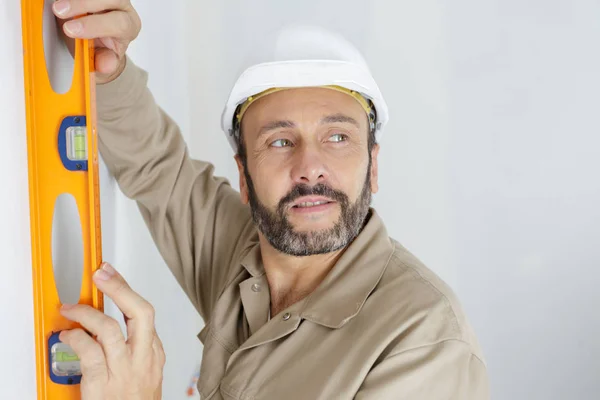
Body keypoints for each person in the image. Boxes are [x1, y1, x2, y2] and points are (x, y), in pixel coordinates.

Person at [52, 1, 490, 399]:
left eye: (337, 137)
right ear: (244, 175)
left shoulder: (422, 339)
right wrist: (106, 66)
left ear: (373, 165)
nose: (309, 167)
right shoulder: (244, 257)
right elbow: (160, 169)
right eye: (280, 142)